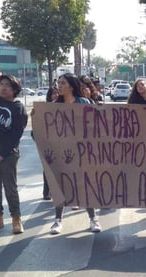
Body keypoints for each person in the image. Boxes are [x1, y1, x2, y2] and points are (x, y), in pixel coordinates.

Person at [50, 73, 101, 234]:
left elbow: (95, 125)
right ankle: (57, 220)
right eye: (58, 83)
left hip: (82, 152)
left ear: (71, 86)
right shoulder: (54, 105)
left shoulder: (84, 102)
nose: (59, 85)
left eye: (63, 83)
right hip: (61, 152)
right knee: (59, 185)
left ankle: (93, 219)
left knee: (85, 184)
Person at [0, 74, 28, 234]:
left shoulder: (18, 108)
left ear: (14, 89)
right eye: (1, 84)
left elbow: (16, 134)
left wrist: (2, 153)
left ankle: (16, 218)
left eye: (7, 85)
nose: (3, 87)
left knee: (10, 187)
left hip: (8, 153)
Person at [42, 86, 59, 200]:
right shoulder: (44, 108)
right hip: (48, 143)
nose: (56, 95)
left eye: (58, 93)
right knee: (48, 167)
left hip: (60, 143)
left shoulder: (63, 106)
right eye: (53, 93)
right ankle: (47, 191)